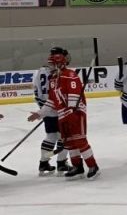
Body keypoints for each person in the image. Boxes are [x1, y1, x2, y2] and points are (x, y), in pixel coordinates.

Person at [26, 47, 99, 180]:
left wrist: (71, 112)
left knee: (80, 140)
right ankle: (77, 167)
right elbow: (52, 101)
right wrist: (40, 113)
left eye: (52, 64)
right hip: (63, 115)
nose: (50, 66)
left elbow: (74, 95)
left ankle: (93, 166)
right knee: (69, 143)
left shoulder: (70, 75)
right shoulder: (53, 79)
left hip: (76, 113)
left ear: (60, 63)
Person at [33, 61, 71, 175]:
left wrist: (43, 109)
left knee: (51, 135)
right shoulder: (59, 72)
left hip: (46, 108)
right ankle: (61, 163)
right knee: (65, 136)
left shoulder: (39, 71)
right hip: (59, 108)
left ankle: (43, 162)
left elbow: (36, 90)